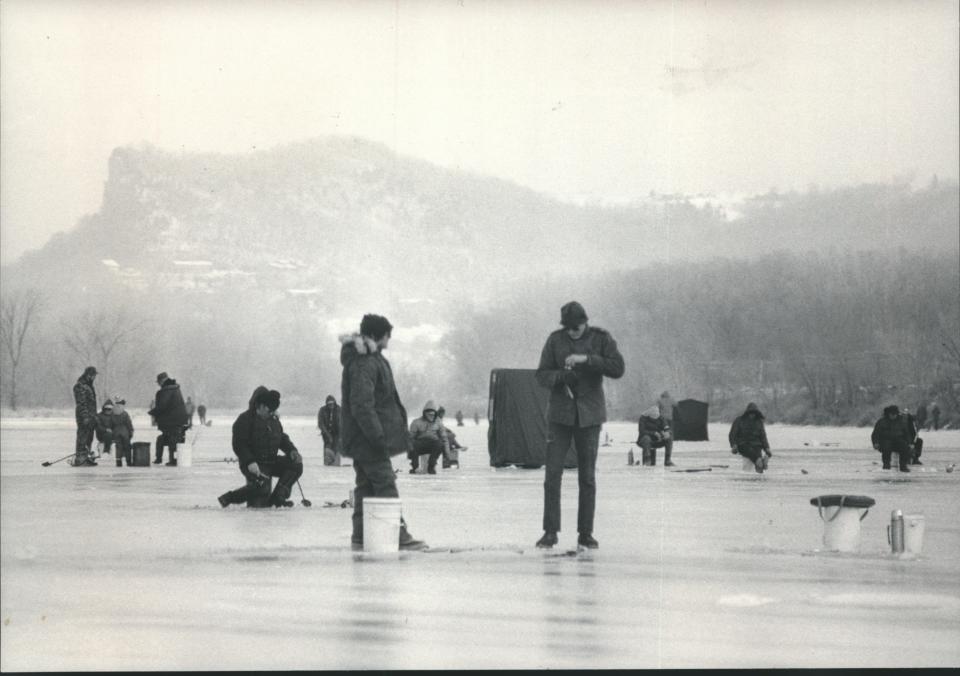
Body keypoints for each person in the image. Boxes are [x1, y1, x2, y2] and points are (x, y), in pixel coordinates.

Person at [534, 301, 625, 550]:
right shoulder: (555, 341)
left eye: (577, 327)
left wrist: (587, 360)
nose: (573, 331)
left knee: (587, 477)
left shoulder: (601, 339)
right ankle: (550, 531)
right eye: (569, 328)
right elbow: (541, 375)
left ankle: (586, 533)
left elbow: (618, 368)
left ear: (586, 322)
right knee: (552, 476)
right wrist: (562, 376)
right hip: (560, 417)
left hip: (590, 417)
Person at [339, 314, 426, 550]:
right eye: (388, 335)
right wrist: (377, 437)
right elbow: (362, 405)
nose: (390, 340)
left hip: (364, 439)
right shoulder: (365, 363)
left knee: (366, 485)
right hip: (369, 440)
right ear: (378, 335)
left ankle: (360, 535)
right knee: (386, 483)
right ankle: (398, 535)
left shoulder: (369, 359)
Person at [218, 387, 304, 508]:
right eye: (270, 410)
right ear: (262, 406)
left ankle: (278, 497)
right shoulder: (244, 419)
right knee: (261, 491)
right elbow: (239, 444)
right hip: (254, 464)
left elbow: (282, 438)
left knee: (296, 465)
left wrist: (292, 450)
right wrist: (249, 462)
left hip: (271, 461)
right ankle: (229, 497)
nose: (272, 413)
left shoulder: (273, 419)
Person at [148, 372, 188, 466]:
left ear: (162, 381)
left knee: (172, 440)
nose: (158, 384)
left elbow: (162, 406)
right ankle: (162, 458)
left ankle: (173, 460)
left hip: (172, 421)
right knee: (164, 439)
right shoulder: (173, 389)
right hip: (177, 420)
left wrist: (153, 412)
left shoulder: (167, 390)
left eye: (158, 382)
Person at [729, 402, 773, 474]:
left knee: (755, 457)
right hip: (748, 445)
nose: (752, 415)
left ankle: (760, 465)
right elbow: (763, 437)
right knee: (755, 456)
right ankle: (761, 464)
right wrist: (766, 448)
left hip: (746, 445)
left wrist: (766, 448)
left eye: (753, 414)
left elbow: (732, 434)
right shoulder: (758, 421)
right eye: (751, 413)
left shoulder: (740, 420)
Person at [408, 400, 448, 474]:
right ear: (424, 413)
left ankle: (431, 466)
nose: (431, 416)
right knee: (413, 444)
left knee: (439, 444)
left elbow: (444, 438)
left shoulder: (438, 422)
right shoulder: (416, 422)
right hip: (420, 444)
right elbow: (410, 437)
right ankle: (415, 467)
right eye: (429, 414)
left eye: (433, 414)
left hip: (433, 444)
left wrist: (447, 454)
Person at [871, 405, 913, 472]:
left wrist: (910, 443)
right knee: (886, 447)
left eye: (895, 414)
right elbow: (875, 434)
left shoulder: (901, 421)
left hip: (898, 441)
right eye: (892, 414)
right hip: (885, 441)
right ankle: (886, 464)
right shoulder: (881, 422)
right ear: (888, 414)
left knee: (904, 447)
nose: (893, 416)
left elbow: (907, 434)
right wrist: (875, 443)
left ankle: (903, 466)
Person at [72, 366, 99, 467]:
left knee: (89, 437)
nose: (94, 377)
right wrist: (85, 417)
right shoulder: (80, 386)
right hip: (84, 418)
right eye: (94, 375)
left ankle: (86, 457)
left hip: (91, 417)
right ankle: (80, 458)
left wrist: (94, 417)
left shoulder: (89, 385)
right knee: (82, 437)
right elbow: (81, 404)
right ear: (89, 375)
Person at [110, 397, 135, 467]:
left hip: (116, 431)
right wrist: (131, 431)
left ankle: (118, 462)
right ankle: (128, 461)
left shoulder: (112, 413)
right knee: (127, 447)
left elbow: (110, 424)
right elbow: (129, 423)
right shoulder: (125, 413)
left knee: (118, 447)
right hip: (125, 431)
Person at [318, 395, 342, 466]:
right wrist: (327, 435)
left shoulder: (339, 410)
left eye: (332, 404)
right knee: (327, 448)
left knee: (337, 448)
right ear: (327, 404)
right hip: (326, 433)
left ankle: (336, 464)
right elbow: (320, 423)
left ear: (334, 403)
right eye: (329, 404)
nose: (331, 405)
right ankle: (327, 465)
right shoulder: (322, 410)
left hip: (337, 433)